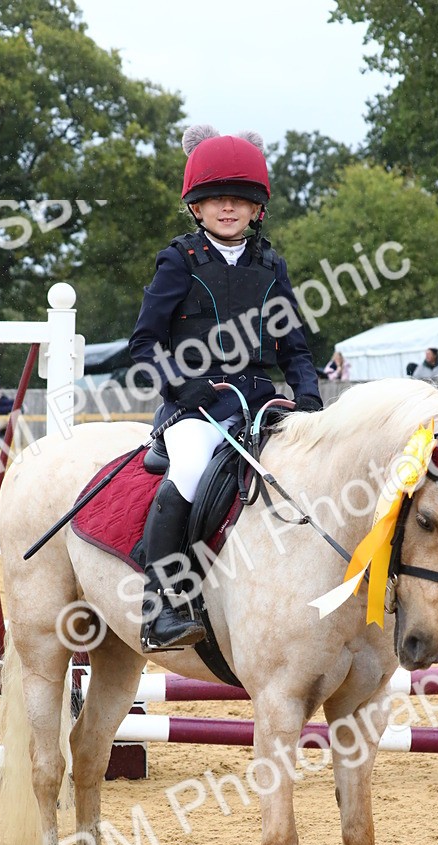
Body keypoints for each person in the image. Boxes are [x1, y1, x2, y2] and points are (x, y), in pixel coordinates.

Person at [129, 124, 322, 652]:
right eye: (216, 200)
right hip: (198, 405)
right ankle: (160, 606)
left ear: (258, 208)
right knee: (191, 469)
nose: (228, 209)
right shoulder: (179, 261)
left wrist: (309, 398)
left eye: (240, 200)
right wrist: (182, 385)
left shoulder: (270, 265)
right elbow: (143, 345)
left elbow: (295, 347)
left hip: (264, 403)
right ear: (196, 207)